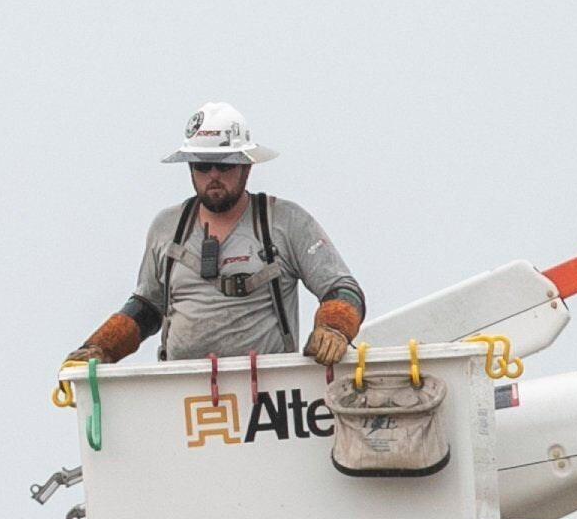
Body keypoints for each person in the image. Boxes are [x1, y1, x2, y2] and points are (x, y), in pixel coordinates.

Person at [69, 102, 366, 367]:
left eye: (223, 165)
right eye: (202, 165)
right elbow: (146, 308)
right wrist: (100, 348)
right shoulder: (167, 228)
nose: (213, 175)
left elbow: (343, 289)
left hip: (266, 394)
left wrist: (334, 327)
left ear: (246, 166)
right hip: (181, 395)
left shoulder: (285, 223)